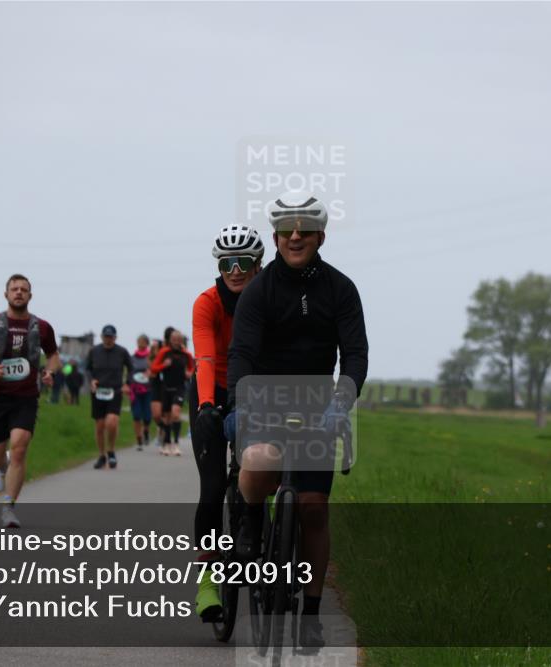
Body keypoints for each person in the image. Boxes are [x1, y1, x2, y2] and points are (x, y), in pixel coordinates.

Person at [225, 192, 368, 651]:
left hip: (317, 405)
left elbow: (355, 354)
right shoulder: (259, 291)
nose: (295, 237)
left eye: (305, 230)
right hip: (263, 399)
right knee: (261, 459)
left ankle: (309, 613)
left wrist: (342, 400)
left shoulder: (340, 289)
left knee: (313, 507)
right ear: (276, 237)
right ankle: (249, 520)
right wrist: (241, 400)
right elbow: (242, 352)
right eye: (287, 231)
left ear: (320, 236)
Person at [189, 224, 265, 621]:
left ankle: (260, 536)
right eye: (226, 263)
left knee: (264, 469)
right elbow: (203, 357)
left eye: (244, 262)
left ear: (259, 264)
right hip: (212, 389)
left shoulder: (271, 294)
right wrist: (205, 405)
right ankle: (206, 585)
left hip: (256, 388)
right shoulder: (207, 302)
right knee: (214, 487)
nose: (235, 270)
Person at [0, 274, 60, 528]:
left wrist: (50, 371)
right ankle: (1, 467)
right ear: (6, 294)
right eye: (14, 289)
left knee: (19, 446)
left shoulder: (42, 327)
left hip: (26, 397)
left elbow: (53, 355)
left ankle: (8, 507)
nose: (19, 292)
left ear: (30, 296)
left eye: (24, 289)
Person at [84, 325, 133, 469]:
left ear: (115, 337)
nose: (108, 339)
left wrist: (127, 384)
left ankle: (111, 451)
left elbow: (131, 368)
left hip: (115, 391)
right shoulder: (94, 351)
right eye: (106, 336)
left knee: (111, 422)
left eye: (111, 337)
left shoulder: (122, 351)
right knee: (99, 426)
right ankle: (101, 455)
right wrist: (91, 380)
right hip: (98, 391)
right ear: (101, 337)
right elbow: (87, 369)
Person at [149, 329, 194, 456]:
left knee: (175, 413)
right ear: (170, 340)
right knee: (167, 417)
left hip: (179, 388)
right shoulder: (164, 352)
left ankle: (176, 443)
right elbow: (153, 368)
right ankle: (167, 443)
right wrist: (164, 365)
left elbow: (192, 368)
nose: (176, 342)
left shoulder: (187, 354)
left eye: (179, 340)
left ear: (182, 341)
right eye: (174, 340)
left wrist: (189, 373)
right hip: (166, 388)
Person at [128, 334, 153, 450]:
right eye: (138, 341)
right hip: (135, 391)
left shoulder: (150, 357)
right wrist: (127, 385)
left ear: (147, 343)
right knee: (136, 415)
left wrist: (150, 371)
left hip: (148, 390)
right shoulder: (132, 358)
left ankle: (146, 431)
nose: (140, 343)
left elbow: (155, 371)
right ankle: (139, 439)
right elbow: (129, 373)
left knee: (147, 416)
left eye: (142, 341)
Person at [149, 330, 171, 452]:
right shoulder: (151, 358)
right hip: (155, 386)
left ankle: (165, 438)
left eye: (156, 347)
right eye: (153, 348)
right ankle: (163, 429)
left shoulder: (166, 356)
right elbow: (152, 371)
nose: (154, 349)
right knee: (156, 415)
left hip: (165, 386)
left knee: (165, 414)